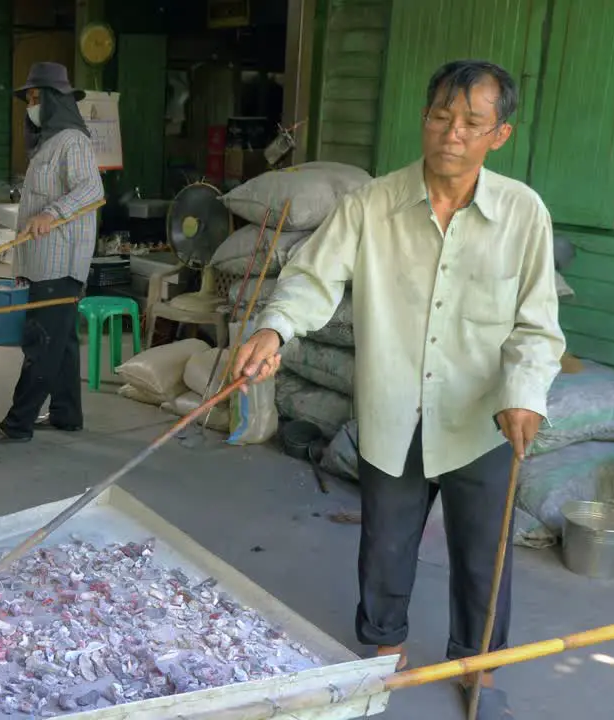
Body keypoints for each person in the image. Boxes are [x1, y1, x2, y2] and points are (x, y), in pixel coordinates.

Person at [231, 60, 564, 719]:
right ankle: (385, 651)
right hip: (393, 411)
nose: (451, 134)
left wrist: (525, 392)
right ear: (425, 119)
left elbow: (538, 323)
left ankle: (480, 665)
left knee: (483, 555)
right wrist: (275, 330)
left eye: (471, 123)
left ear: (500, 134)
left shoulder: (523, 214)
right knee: (385, 543)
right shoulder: (370, 205)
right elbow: (311, 279)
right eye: (440, 117)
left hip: (481, 419)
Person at [0, 62, 104, 443]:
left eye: (35, 99)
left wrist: (52, 212)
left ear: (54, 101)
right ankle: (67, 414)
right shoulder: (48, 144)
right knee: (60, 342)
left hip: (60, 263)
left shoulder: (72, 141)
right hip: (43, 260)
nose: (31, 106)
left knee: (41, 344)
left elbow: (90, 191)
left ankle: (17, 425)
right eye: (28, 99)